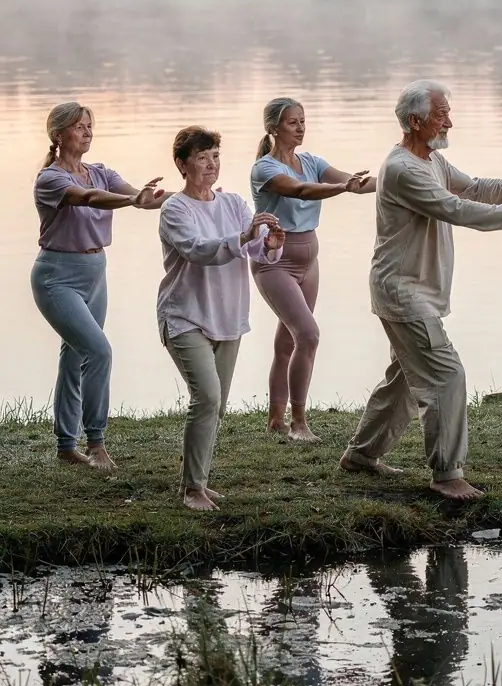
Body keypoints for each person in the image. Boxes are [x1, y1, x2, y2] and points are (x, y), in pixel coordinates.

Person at [340, 80, 502, 500]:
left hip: (415, 290)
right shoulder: (403, 169)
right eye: (442, 114)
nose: (450, 121)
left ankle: (361, 455)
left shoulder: (432, 160)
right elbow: (455, 209)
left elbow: (472, 187)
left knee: (405, 382)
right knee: (445, 375)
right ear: (416, 120)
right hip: (402, 292)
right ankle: (447, 474)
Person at [31, 102, 167, 471]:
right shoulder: (51, 178)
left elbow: (145, 199)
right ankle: (96, 443)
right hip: (56, 276)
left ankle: (64, 445)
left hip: (95, 271)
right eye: (79, 126)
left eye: (90, 125)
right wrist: (131, 200)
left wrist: (195, 196)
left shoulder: (101, 172)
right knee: (99, 352)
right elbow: (87, 198)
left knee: (75, 356)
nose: (88, 131)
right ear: (59, 135)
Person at [158, 125, 285, 511]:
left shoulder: (232, 203)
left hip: (227, 316)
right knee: (207, 397)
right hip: (184, 315)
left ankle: (196, 479)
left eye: (214, 156)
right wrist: (245, 238)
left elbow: (254, 252)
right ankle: (192, 490)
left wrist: (270, 245)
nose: (211, 164)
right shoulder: (174, 209)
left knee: (217, 404)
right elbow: (199, 250)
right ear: (182, 164)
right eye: (201, 157)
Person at [249, 97, 374, 442]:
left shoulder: (312, 161)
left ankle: (275, 419)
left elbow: (356, 182)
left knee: (288, 341)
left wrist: (398, 179)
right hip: (275, 261)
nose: (301, 127)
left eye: (303, 121)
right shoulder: (265, 168)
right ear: (273, 128)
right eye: (293, 122)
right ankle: (298, 423)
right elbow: (301, 191)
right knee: (308, 335)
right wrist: (340, 188)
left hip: (309, 260)